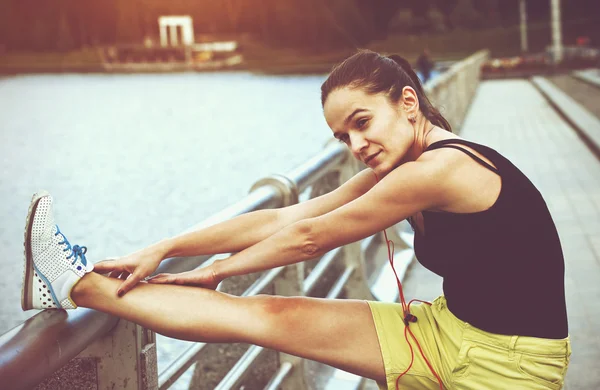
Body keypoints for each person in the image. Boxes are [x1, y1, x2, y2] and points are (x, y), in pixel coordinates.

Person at [21, 49, 570, 390]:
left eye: (362, 123)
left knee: (251, 312)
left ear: (408, 102)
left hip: (510, 368)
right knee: (267, 315)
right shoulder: (403, 164)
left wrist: (214, 273)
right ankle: (74, 282)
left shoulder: (439, 170)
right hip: (447, 328)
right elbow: (291, 214)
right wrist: (166, 247)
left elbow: (309, 238)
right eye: (342, 137)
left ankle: (74, 282)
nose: (356, 145)